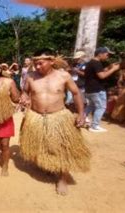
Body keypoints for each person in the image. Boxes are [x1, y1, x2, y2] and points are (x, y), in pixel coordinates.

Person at [20, 49, 91, 196]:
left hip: (58, 117)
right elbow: (25, 92)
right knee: (43, 145)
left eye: (40, 63)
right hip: (36, 117)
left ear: (51, 61)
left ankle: (63, 179)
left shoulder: (63, 75)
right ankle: (48, 165)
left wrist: (81, 114)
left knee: (63, 149)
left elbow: (77, 93)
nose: (37, 67)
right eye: (35, 63)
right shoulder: (30, 76)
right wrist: (25, 97)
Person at [84, 47, 121, 132]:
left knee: (91, 106)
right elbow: (102, 76)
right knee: (101, 107)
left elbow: (98, 73)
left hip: (89, 89)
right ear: (100, 54)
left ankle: (81, 120)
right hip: (97, 89)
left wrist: (108, 68)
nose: (107, 57)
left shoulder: (91, 63)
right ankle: (94, 126)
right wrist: (113, 69)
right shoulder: (97, 63)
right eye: (107, 54)